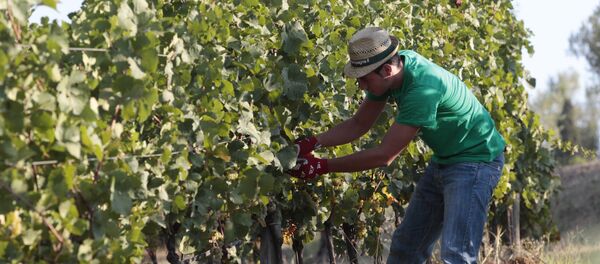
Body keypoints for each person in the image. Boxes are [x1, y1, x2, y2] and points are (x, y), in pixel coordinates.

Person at [287, 27, 506, 263]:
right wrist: (312, 143)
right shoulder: (394, 70)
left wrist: (322, 166)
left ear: (387, 70)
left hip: (476, 162)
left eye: (364, 79)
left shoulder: (422, 90)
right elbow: (359, 123)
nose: (361, 86)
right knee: (406, 249)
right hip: (445, 160)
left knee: (457, 255)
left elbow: (384, 155)